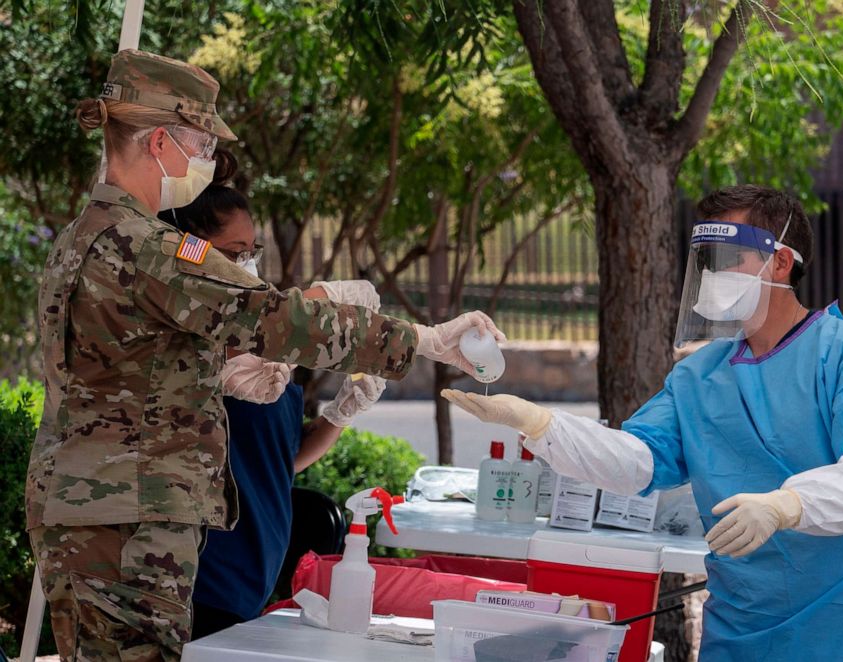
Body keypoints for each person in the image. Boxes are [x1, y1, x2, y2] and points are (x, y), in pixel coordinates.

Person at [27, 48, 503, 661]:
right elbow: (269, 318)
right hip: (131, 515)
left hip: (84, 504)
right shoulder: (149, 247)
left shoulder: (81, 236)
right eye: (201, 143)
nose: (206, 158)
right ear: (160, 142)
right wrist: (423, 340)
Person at [444, 185, 843, 661]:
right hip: (740, 622)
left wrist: (790, 505)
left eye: (729, 259)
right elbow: (636, 462)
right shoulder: (701, 374)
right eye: (707, 260)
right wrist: (538, 422)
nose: (713, 274)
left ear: (781, 262)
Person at [156, 167, 385, 638]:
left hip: (253, 578)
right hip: (202, 578)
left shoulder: (265, 356)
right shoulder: (202, 347)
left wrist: (343, 413)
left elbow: (281, 462)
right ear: (191, 250)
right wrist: (317, 300)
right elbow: (251, 335)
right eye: (235, 254)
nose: (249, 265)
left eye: (252, 251)